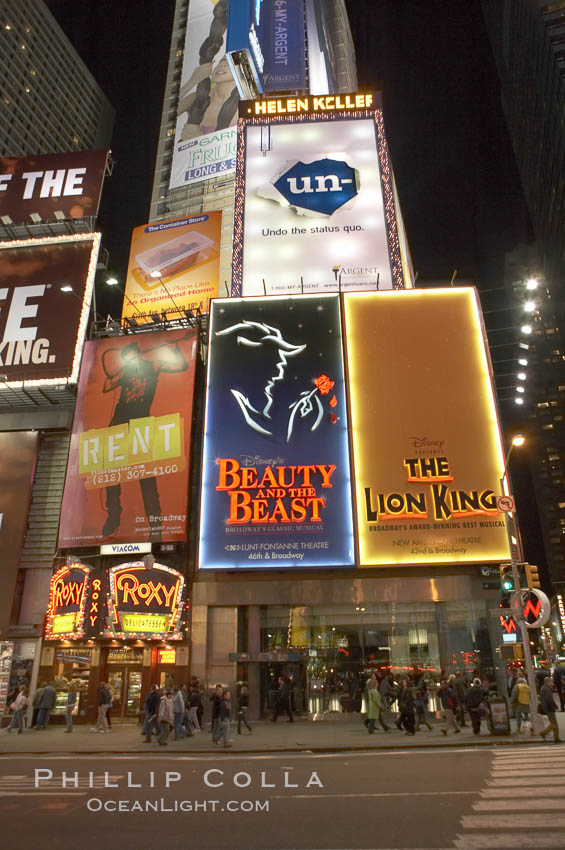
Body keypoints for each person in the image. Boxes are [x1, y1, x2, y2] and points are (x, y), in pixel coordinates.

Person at [101, 339, 189, 538]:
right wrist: (120, 371)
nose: (129, 361)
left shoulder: (153, 366)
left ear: (137, 354)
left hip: (142, 425)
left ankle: (155, 525)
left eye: (130, 357)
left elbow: (182, 365)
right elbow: (106, 386)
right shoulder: (125, 373)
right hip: (120, 423)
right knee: (112, 472)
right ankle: (114, 514)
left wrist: (176, 351)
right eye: (126, 360)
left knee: (146, 476)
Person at [176, 0, 238, 142]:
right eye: (222, 61)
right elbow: (167, 115)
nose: (223, 65)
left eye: (229, 63)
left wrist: (200, 139)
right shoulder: (197, 99)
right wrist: (192, 81)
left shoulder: (242, 106)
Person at [540, 676, 561, 744]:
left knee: (554, 723)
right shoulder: (547, 689)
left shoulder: (543, 688)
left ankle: (556, 738)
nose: (552, 683)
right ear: (548, 682)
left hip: (547, 708)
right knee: (554, 724)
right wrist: (555, 706)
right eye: (551, 682)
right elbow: (549, 700)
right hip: (550, 708)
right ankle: (544, 733)